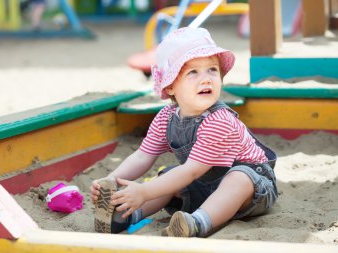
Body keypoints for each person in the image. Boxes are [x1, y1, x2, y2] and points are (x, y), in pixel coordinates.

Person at [90, 27, 278, 237]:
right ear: (170, 86)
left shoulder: (220, 121)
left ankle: (197, 223)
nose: (206, 79)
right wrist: (112, 180)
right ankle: (123, 217)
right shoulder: (166, 117)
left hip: (253, 191)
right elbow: (143, 155)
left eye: (212, 70)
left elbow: (191, 171)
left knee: (238, 177)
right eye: (193, 72)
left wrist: (144, 191)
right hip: (205, 186)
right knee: (167, 176)